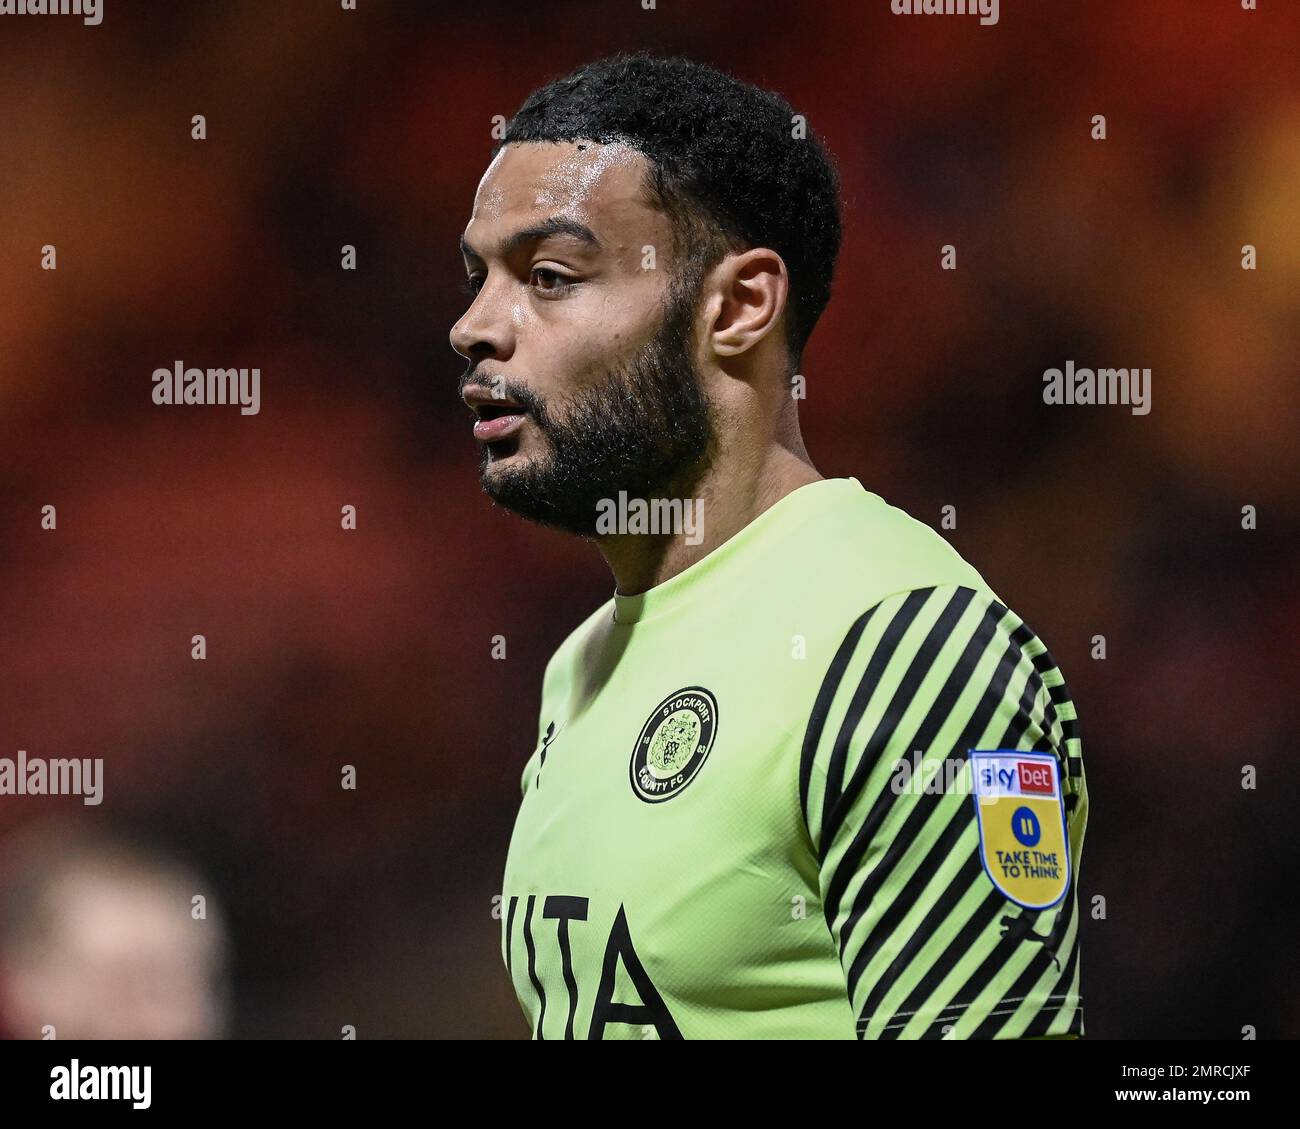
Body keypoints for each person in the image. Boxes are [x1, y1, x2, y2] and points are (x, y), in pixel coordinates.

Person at [451, 51, 1088, 1040]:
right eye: (478, 277)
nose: (474, 326)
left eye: (548, 275)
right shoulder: (580, 663)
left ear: (739, 305)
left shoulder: (908, 653)